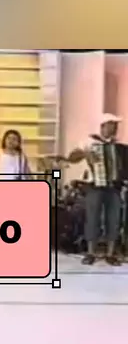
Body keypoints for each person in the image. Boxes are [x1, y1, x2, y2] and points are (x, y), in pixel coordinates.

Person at [67, 113, 124, 266]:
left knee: (114, 219)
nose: (115, 128)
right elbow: (71, 158)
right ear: (103, 126)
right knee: (92, 219)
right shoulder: (90, 142)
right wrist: (85, 153)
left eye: (116, 126)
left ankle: (110, 254)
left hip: (114, 187)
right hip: (94, 186)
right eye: (112, 125)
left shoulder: (118, 146)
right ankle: (91, 253)